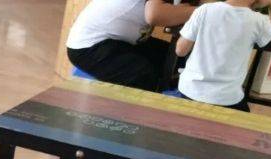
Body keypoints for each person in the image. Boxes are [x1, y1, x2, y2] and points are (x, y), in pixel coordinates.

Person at [67, 0, 203, 91]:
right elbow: (154, 14)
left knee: (178, 59)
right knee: (145, 77)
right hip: (90, 46)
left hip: (123, 41)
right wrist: (203, 12)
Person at [176, 0, 271, 111]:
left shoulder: (204, 10)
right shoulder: (258, 21)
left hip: (190, 90)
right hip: (226, 98)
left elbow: (180, 51)